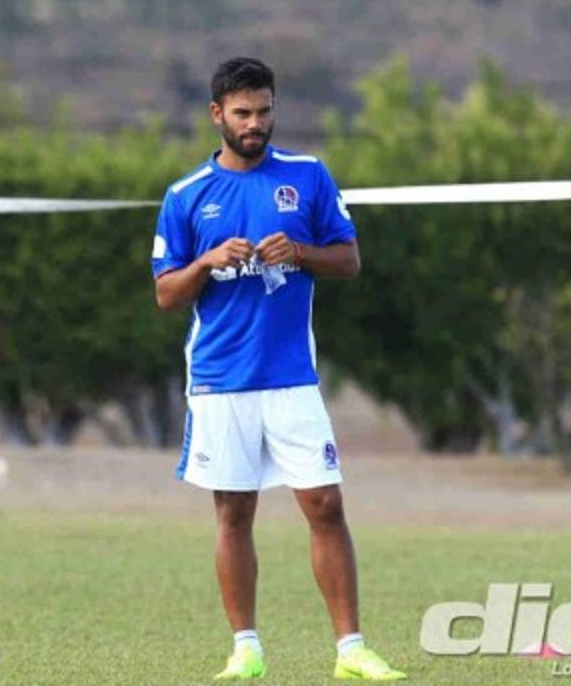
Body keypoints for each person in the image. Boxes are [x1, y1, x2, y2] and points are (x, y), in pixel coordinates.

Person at [151, 57, 406, 681]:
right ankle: (246, 648)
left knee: (324, 503)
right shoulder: (187, 195)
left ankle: (351, 650)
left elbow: (347, 261)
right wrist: (206, 261)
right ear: (217, 115)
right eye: (243, 113)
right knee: (233, 514)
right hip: (220, 379)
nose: (255, 124)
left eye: (264, 111)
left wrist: (300, 252)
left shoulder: (308, 175)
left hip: (291, 376)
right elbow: (166, 294)